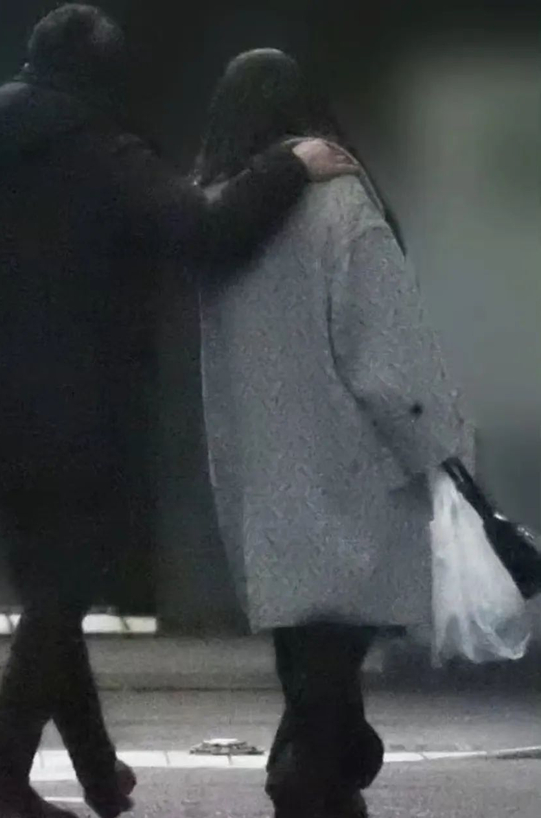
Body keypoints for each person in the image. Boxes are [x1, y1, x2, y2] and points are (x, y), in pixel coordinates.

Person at [0, 5, 359, 816]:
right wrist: (290, 166)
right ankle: (6, 781)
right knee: (59, 599)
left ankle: (97, 778)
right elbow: (208, 231)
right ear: (100, 74)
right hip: (79, 419)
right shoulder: (104, 158)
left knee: (51, 601)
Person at [194, 49, 474, 818]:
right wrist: (438, 444)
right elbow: (386, 345)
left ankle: (327, 772)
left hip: (261, 471)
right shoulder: (340, 206)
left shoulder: (216, 213)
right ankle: (313, 776)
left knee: (307, 651)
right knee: (335, 652)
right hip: (347, 461)